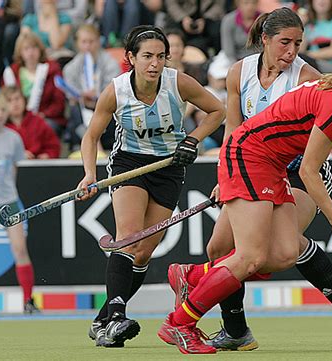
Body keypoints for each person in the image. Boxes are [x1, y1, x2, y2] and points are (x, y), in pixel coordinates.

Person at [158, 54, 332, 354]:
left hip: (273, 164)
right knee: (250, 256)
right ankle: (179, 323)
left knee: (285, 252)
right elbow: (308, 172)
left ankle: (193, 275)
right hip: (250, 154)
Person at [77, 25, 225, 348]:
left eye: (160, 56)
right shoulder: (116, 91)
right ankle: (117, 317)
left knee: (143, 253)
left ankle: (102, 319)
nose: (154, 64)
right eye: (147, 56)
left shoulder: (177, 83)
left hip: (169, 169)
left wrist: (192, 139)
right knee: (129, 238)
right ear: (130, 58)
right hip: (129, 164)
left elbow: (218, 111)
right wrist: (90, 174)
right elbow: (90, 137)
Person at [0, 93, 40, 314]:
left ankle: (28, 300)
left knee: (19, 249)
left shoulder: (13, 138)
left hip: (7, 202)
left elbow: (15, 170)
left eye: (2, 110)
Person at [63, 24, 120, 152]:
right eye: (84, 42)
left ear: (98, 41)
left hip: (104, 105)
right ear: (78, 43)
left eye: (91, 41)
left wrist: (97, 96)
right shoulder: (70, 68)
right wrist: (82, 96)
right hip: (82, 107)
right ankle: (92, 142)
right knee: (74, 109)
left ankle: (94, 143)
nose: (87, 46)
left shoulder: (111, 64)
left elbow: (113, 90)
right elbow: (71, 94)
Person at [1, 31, 67, 137]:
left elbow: (59, 101)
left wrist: (44, 114)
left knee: (44, 127)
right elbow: (4, 100)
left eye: (34, 48)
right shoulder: (12, 72)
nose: (30, 53)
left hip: (46, 117)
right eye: (26, 49)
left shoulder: (52, 69)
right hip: (17, 118)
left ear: (40, 50)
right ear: (20, 52)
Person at [3, 86, 61, 159]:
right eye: (9, 100)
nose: (15, 103)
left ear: (24, 100)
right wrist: (19, 154)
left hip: (37, 165)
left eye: (17, 98)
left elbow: (53, 146)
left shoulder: (38, 121)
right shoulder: (1, 126)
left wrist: (48, 155)